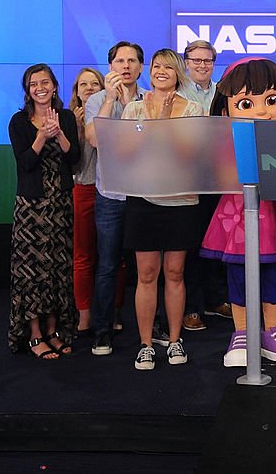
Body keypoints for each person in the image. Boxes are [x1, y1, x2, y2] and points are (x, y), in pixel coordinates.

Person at [201, 58, 276, 367]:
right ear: (226, 109)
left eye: (272, 100)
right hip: (238, 213)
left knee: (275, 269)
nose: (262, 110)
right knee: (238, 271)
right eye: (247, 102)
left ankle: (273, 329)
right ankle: (243, 332)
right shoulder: (223, 139)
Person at [120, 50, 202, 370]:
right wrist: (156, 122)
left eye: (168, 67)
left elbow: (188, 155)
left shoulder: (193, 108)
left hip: (181, 201)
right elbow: (127, 153)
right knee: (147, 274)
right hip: (143, 200)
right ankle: (145, 343)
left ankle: (174, 339)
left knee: (175, 273)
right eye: (156, 67)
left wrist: (166, 123)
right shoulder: (134, 108)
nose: (161, 71)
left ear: (179, 73)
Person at [8, 64, 81, 359]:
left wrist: (60, 134)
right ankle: (35, 335)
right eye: (33, 83)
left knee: (58, 271)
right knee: (33, 274)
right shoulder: (19, 121)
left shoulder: (65, 116)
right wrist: (41, 136)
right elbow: (25, 162)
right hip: (31, 210)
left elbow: (74, 158)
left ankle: (54, 331)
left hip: (61, 205)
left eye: (45, 82)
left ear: (54, 87)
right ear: (27, 90)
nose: (40, 87)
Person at [85, 41, 146, 356]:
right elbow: (96, 140)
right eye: (120, 60)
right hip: (109, 194)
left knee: (146, 269)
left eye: (132, 60)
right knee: (107, 265)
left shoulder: (148, 99)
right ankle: (103, 331)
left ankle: (147, 334)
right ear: (110, 66)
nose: (126, 66)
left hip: (142, 194)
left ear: (140, 67)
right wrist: (110, 100)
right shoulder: (97, 100)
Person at [68, 67, 126, 337]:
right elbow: (75, 159)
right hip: (84, 187)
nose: (89, 88)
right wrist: (78, 129)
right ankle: (85, 314)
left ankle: (112, 311)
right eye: (83, 85)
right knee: (84, 255)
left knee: (113, 257)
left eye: (94, 83)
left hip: (112, 189)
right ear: (76, 90)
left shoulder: (114, 104)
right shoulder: (72, 118)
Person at [177, 41, 230, 332]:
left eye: (207, 61)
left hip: (219, 178)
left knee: (218, 242)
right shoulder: (177, 93)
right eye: (196, 60)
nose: (201, 65)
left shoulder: (222, 92)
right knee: (192, 245)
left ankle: (215, 299)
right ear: (186, 62)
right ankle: (192, 307)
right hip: (188, 180)